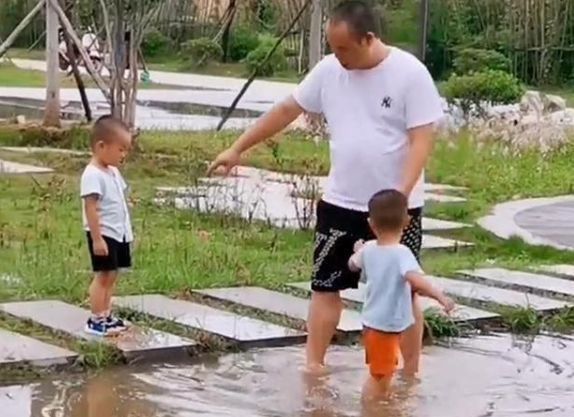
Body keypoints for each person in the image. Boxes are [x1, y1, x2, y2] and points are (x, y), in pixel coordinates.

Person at [207, 0, 443, 374]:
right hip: (340, 202)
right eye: (333, 48)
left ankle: (410, 374)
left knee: (403, 292)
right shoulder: (330, 70)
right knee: (323, 285)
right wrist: (238, 148)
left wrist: (401, 195)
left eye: (344, 49)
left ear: (369, 38)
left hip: (395, 209)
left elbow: (421, 140)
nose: (338, 57)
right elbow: (287, 109)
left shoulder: (409, 74)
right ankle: (314, 368)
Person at [348, 189, 454, 401]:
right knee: (381, 376)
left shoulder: (368, 249)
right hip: (385, 327)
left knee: (382, 370)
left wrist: (357, 249)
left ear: (371, 223)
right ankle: (372, 409)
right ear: (406, 221)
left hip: (372, 322)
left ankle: (379, 404)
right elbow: (415, 280)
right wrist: (441, 297)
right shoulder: (402, 253)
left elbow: (352, 265)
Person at [81, 115, 133, 336]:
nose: (124, 155)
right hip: (104, 233)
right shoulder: (92, 174)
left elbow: (119, 199)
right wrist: (97, 238)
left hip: (118, 232)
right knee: (103, 275)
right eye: (120, 149)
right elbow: (90, 208)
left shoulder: (112, 172)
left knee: (112, 275)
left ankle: (106, 314)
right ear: (101, 146)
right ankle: (96, 318)